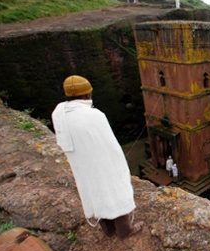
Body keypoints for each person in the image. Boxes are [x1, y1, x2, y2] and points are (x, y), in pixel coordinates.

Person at [52, 75, 144, 239]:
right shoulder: (95, 115)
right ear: (87, 95)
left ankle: (108, 229)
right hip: (102, 162)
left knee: (94, 190)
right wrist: (119, 165)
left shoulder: (59, 114)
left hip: (81, 164)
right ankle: (124, 230)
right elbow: (109, 144)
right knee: (114, 189)